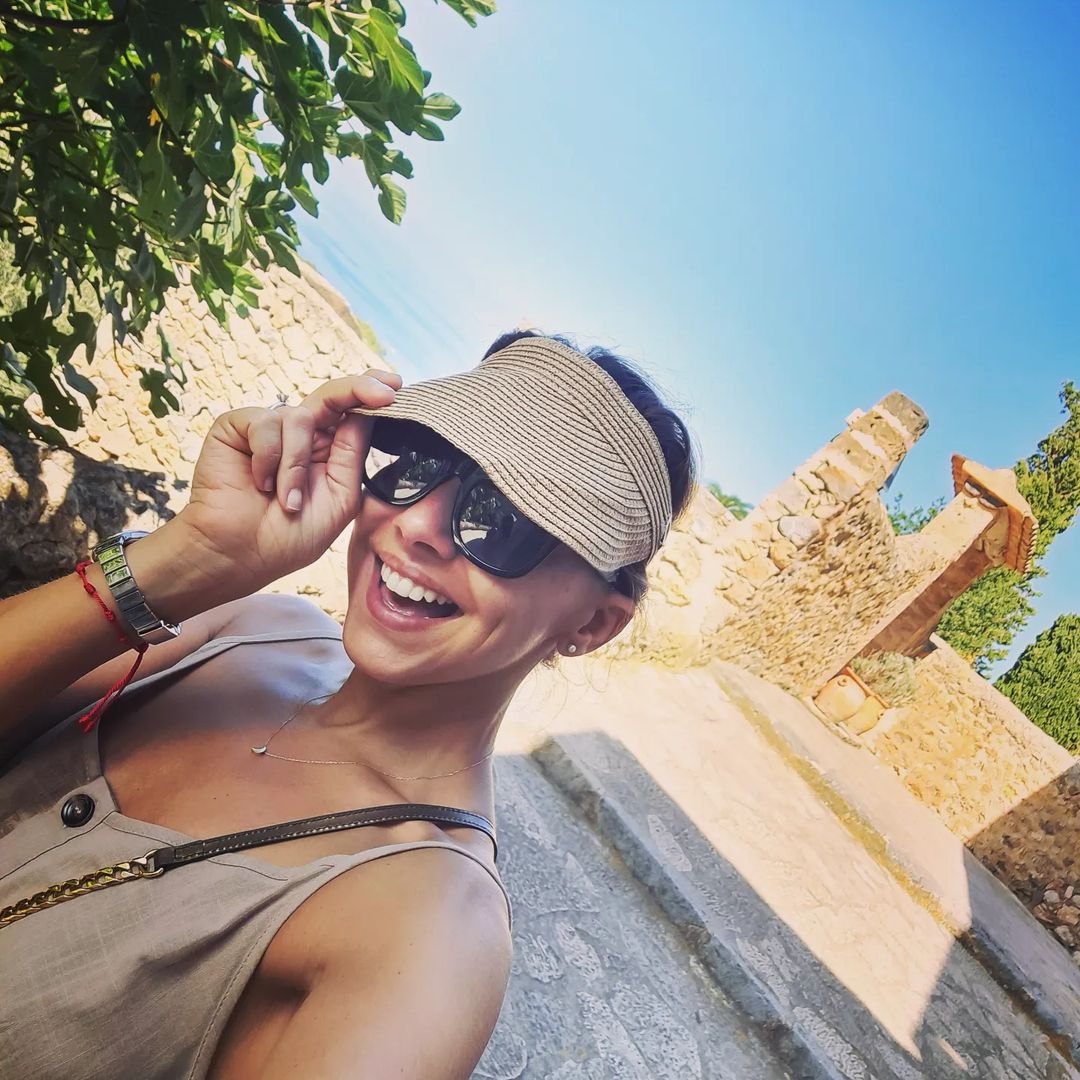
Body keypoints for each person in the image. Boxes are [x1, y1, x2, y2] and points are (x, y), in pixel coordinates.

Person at [0, 331, 698, 1079]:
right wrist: (188, 557)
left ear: (592, 623)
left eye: (503, 521)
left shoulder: (424, 929)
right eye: (418, 466)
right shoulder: (256, 624)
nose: (417, 525)